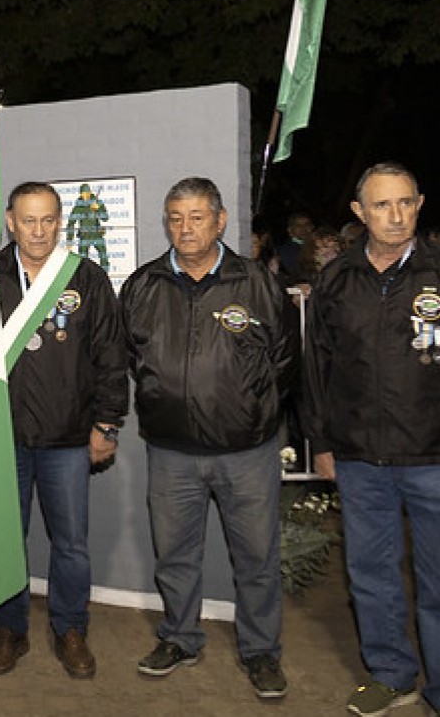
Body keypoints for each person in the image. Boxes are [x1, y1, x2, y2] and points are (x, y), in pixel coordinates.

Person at [302, 163, 440, 717]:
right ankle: (391, 674)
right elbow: (316, 369)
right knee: (370, 576)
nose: (394, 216)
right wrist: (322, 442)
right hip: (359, 459)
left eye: (405, 203)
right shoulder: (337, 278)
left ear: (419, 204)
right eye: (381, 205)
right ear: (358, 212)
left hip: (439, 455)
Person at [119, 177, 299, 699]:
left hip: (247, 452)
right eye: (176, 217)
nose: (185, 227)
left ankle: (261, 651)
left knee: (257, 558)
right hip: (172, 452)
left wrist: (249, 408)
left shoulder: (258, 283)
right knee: (174, 555)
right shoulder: (143, 284)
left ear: (220, 221)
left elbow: (286, 362)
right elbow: (135, 360)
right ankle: (179, 636)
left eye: (197, 216)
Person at [0, 182, 127, 680]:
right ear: (10, 222)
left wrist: (106, 422)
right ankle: (9, 628)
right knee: (5, 539)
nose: (39, 231)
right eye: (28, 220)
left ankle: (70, 628)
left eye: (48, 220)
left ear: (59, 221)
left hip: (68, 437)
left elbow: (111, 356)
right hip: (4, 436)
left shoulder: (85, 276)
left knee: (71, 544)